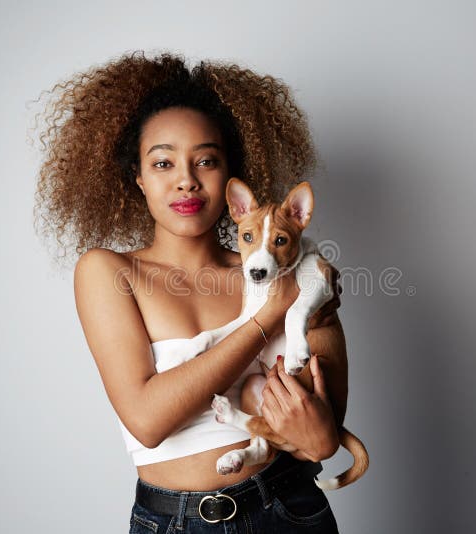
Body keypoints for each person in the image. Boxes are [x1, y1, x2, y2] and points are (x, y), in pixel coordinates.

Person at [33, 50, 349, 533]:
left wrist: (322, 438)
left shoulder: (286, 271)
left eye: (206, 160)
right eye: (163, 163)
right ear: (137, 177)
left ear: (230, 179)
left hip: (290, 509)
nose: (186, 179)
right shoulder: (108, 271)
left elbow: (323, 437)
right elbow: (148, 420)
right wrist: (267, 319)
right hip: (177, 522)